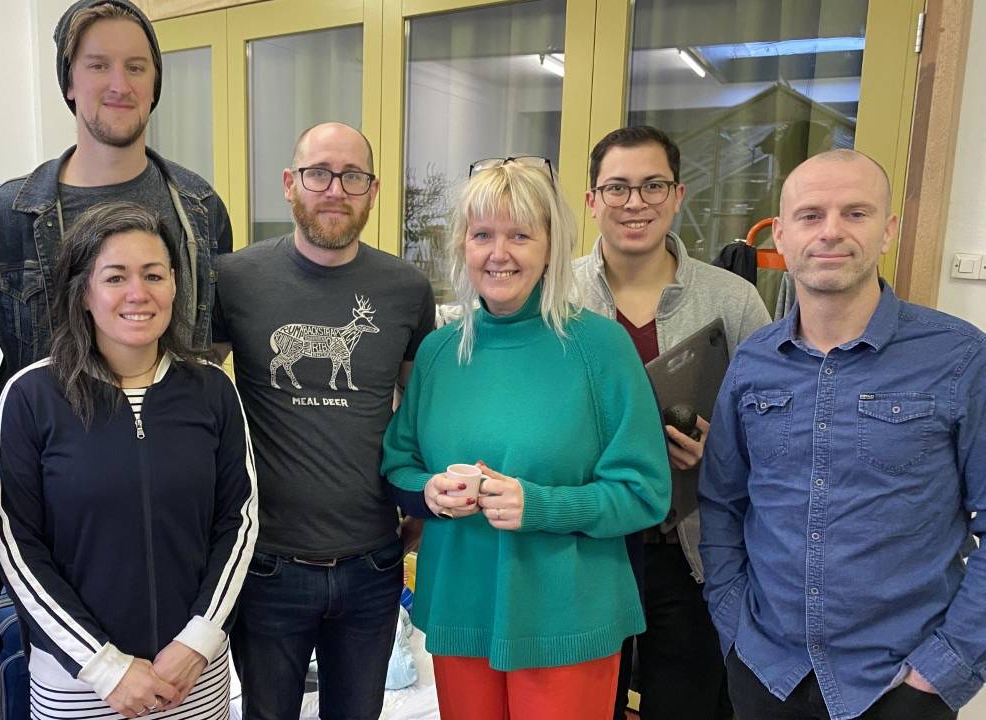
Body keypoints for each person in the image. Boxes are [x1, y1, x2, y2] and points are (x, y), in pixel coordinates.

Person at [381, 157, 671, 720]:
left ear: (550, 247)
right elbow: (399, 463)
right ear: (463, 245)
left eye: (520, 235)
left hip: (567, 616)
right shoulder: (442, 351)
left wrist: (540, 505)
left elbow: (645, 491)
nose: (499, 253)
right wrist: (430, 491)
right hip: (462, 608)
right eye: (483, 234)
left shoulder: (601, 349)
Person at [700, 149, 986, 720]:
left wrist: (947, 663)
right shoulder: (755, 359)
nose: (830, 232)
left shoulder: (959, 356)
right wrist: (732, 618)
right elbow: (721, 501)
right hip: (766, 672)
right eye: (810, 215)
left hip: (898, 685)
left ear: (888, 231)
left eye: (855, 213)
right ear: (781, 234)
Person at [0, 202, 257, 719]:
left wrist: (198, 641)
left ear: (175, 285)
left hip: (192, 679)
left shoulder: (211, 390)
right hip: (80, 686)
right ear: (83, 292)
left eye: (153, 274)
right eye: (115, 277)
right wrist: (105, 667)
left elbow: (239, 522)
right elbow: (16, 545)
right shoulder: (31, 397)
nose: (138, 293)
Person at [212, 121, 435, 719]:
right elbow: (195, 397)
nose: (335, 189)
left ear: (372, 189)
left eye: (352, 176)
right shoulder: (234, 279)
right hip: (267, 563)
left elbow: (421, 413)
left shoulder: (407, 289)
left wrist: (418, 505)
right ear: (290, 184)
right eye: (318, 173)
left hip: (374, 563)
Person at [574, 125, 769, 720]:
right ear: (592, 200)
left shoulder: (732, 301)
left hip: (689, 554)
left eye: (653, 186)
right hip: (584, 549)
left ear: (678, 194)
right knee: (583, 706)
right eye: (618, 188)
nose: (636, 203)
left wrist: (719, 454)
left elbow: (777, 433)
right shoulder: (555, 297)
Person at [0, 0, 232, 381]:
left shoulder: (201, 208)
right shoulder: (2, 219)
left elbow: (214, 341)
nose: (120, 85)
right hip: (46, 441)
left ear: (154, 85)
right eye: (98, 65)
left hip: (174, 438)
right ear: (69, 83)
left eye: (135, 67)